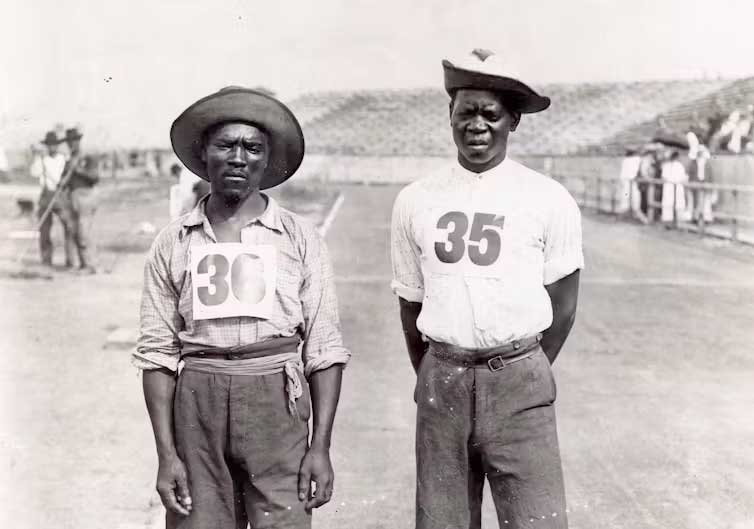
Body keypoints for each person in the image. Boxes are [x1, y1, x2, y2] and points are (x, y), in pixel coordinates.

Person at [134, 86, 350, 529]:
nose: (238, 157)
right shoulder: (174, 241)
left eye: (252, 147)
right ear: (203, 153)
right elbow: (156, 354)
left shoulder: (298, 236)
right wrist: (166, 455)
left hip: (276, 404)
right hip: (198, 404)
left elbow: (325, 349)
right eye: (225, 145)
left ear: (267, 159)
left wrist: (320, 447)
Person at [391, 49, 583, 529]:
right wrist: (441, 367)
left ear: (513, 120)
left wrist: (518, 366)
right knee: (443, 521)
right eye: (466, 112)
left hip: (519, 379)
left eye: (490, 114)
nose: (477, 125)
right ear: (449, 115)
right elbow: (410, 301)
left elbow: (563, 303)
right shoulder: (416, 199)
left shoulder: (547, 198)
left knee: (536, 520)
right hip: (444, 380)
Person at [29, 130, 73, 267]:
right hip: (46, 195)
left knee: (69, 226)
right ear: (46, 146)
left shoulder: (63, 159)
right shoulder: (42, 159)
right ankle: (46, 260)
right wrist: (37, 158)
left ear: (57, 145)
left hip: (60, 195)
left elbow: (68, 177)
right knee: (44, 229)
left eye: (54, 144)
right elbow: (34, 173)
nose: (52, 147)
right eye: (49, 145)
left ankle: (70, 260)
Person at [63, 127, 100, 273]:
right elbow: (64, 179)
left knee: (84, 232)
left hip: (86, 197)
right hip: (72, 197)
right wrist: (63, 181)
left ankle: (91, 265)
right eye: (69, 142)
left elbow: (95, 178)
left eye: (74, 141)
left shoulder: (87, 157)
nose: (71, 144)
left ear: (78, 141)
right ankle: (82, 264)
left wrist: (77, 170)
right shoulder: (70, 159)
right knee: (75, 231)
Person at [660, 149, 689, 224]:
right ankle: (679, 220)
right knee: (679, 202)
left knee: (667, 202)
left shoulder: (666, 165)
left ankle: (667, 220)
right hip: (677, 185)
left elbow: (663, 177)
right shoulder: (680, 166)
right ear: (677, 157)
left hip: (668, 186)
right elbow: (683, 178)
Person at [616, 148, 641, 215]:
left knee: (625, 197)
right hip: (631, 181)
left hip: (625, 181)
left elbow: (622, 174)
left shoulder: (625, 160)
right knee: (635, 197)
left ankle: (625, 211)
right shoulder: (636, 159)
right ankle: (635, 212)